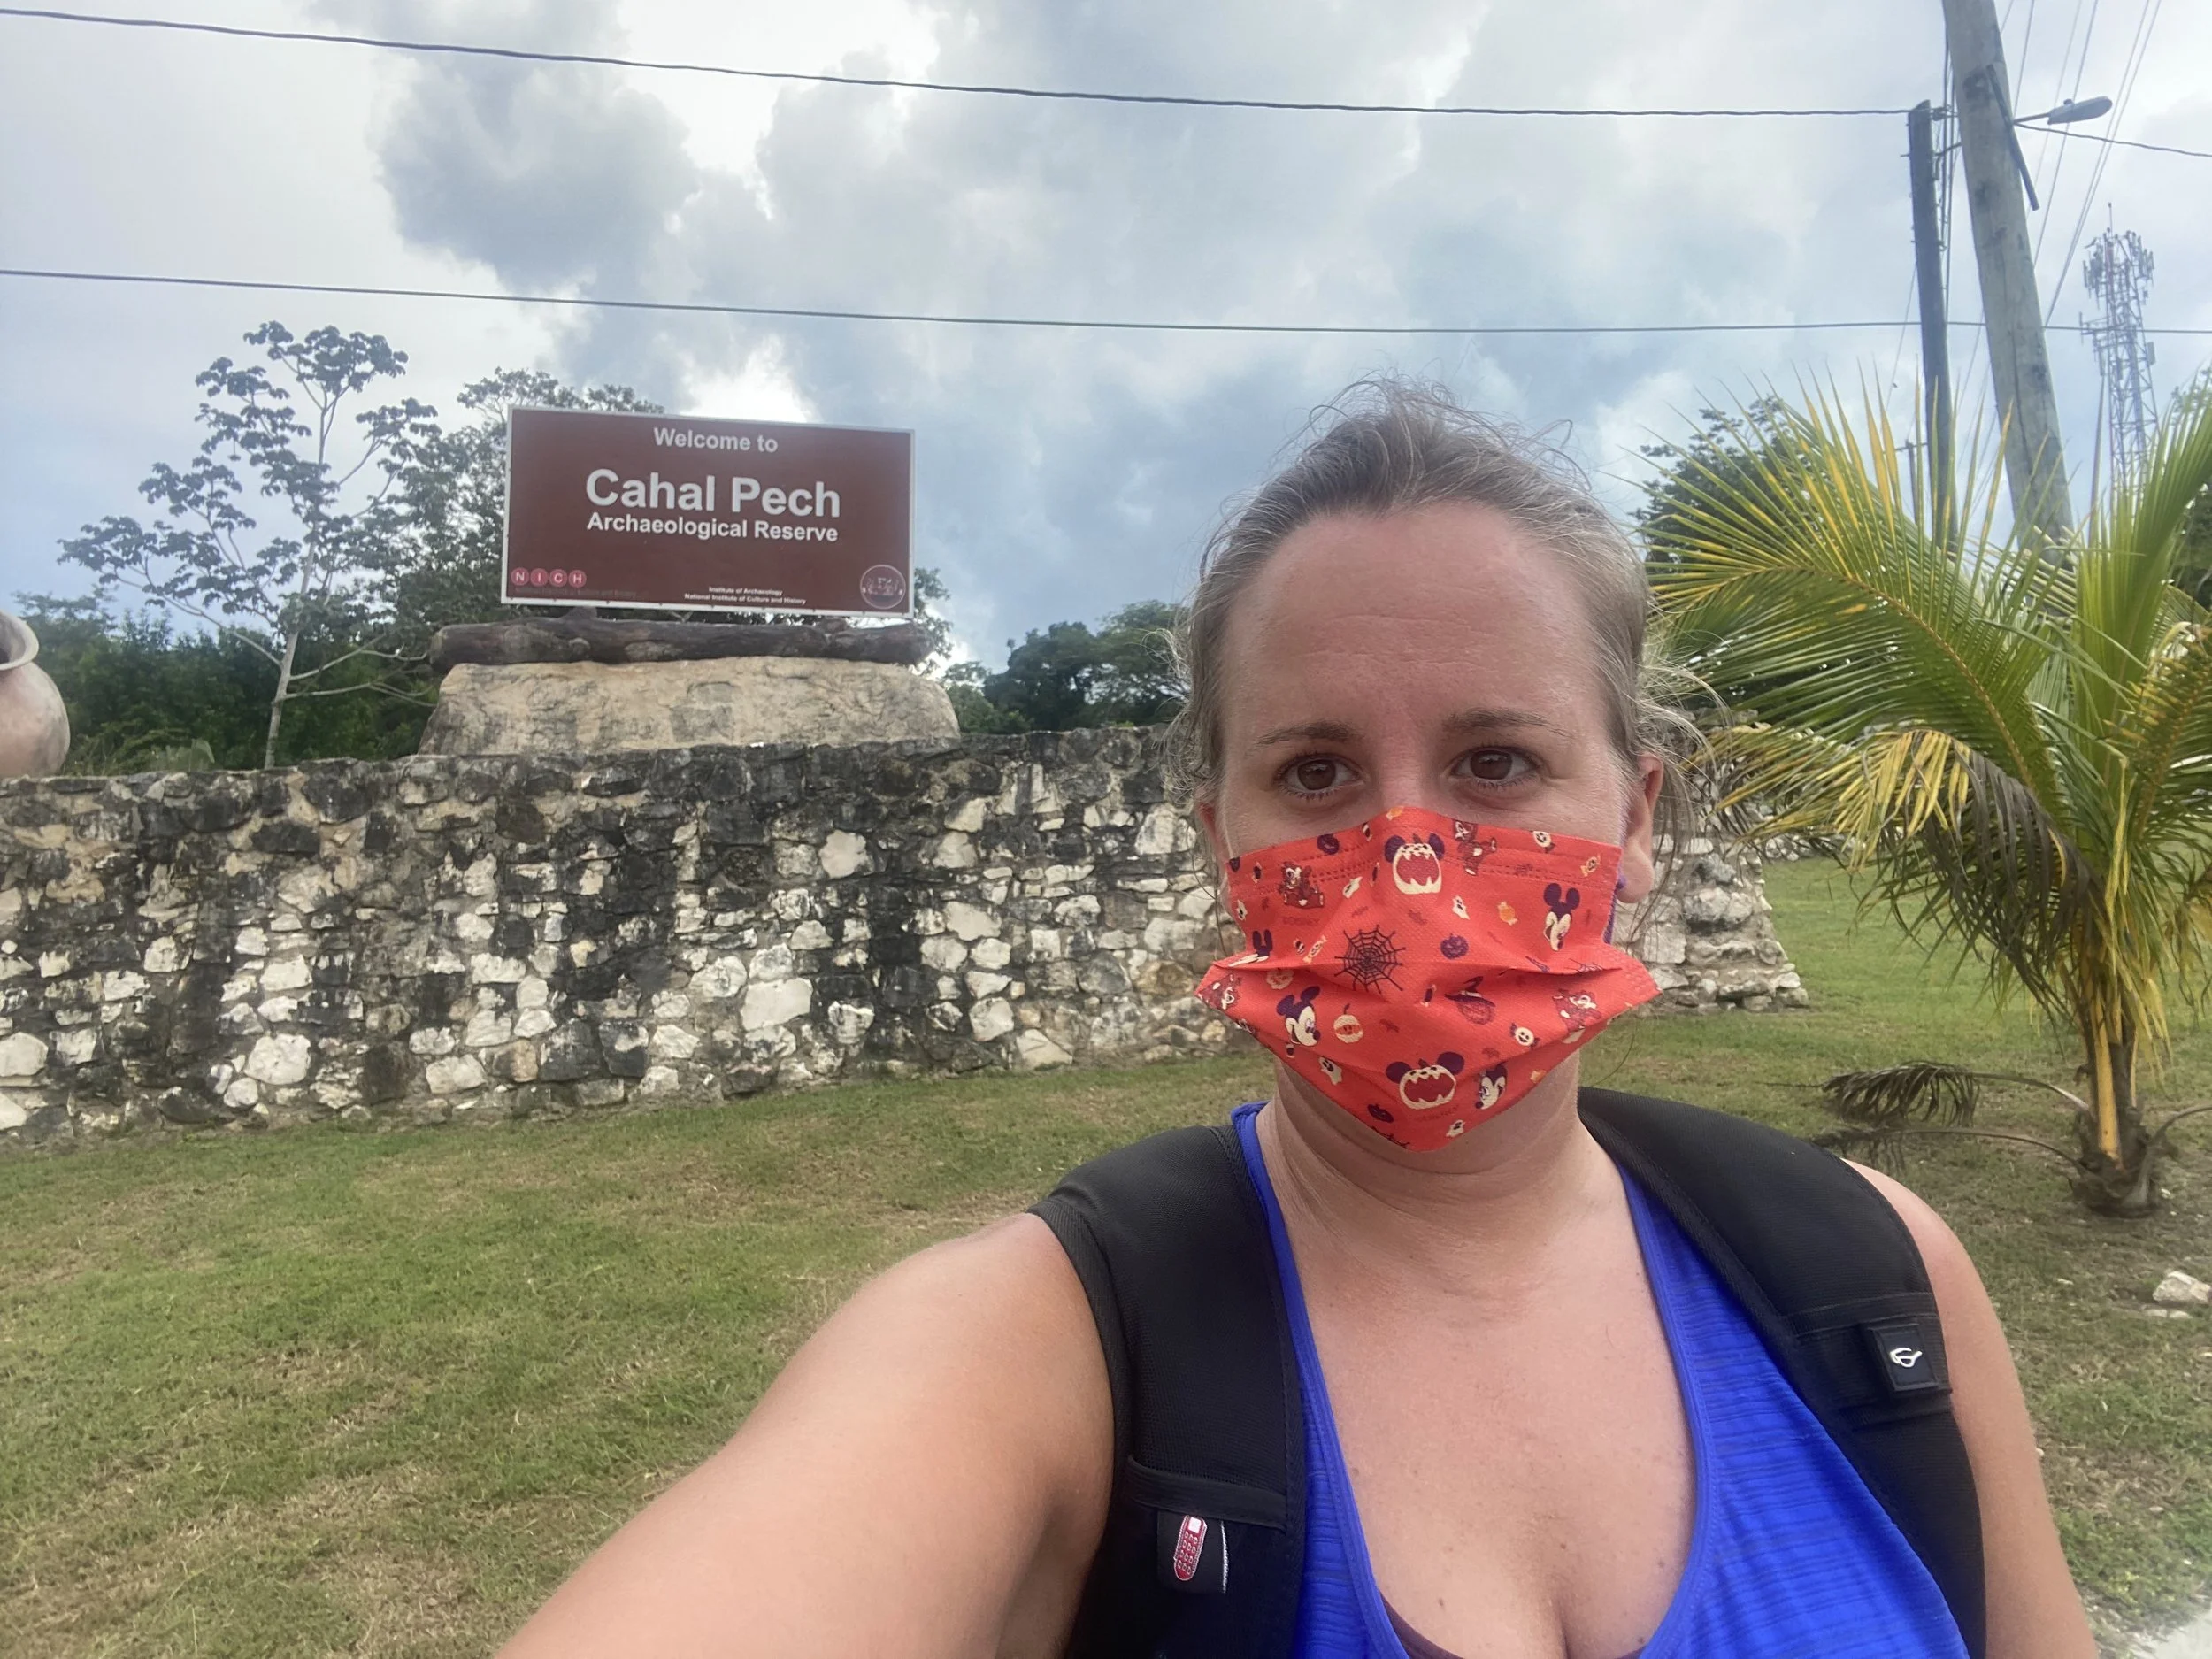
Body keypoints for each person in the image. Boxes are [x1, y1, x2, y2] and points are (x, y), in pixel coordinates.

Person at [500, 384, 2094, 1658]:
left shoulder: (1877, 1281)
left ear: (1638, 817)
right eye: (1316, 771)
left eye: (1496, 762)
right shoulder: (1037, 1350)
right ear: (1223, 841)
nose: (1407, 853)